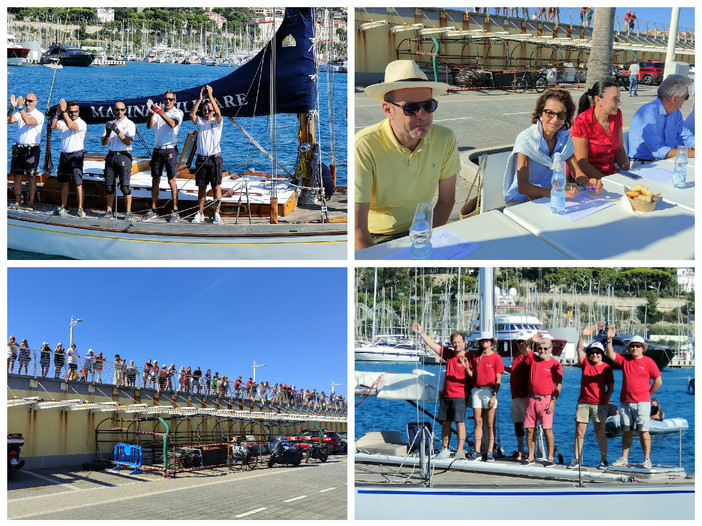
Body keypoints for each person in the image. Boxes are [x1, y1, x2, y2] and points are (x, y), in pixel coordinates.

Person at [355, 60, 460, 249]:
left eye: (428, 105)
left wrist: (427, 241)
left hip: (424, 229)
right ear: (388, 110)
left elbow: (446, 201)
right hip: (378, 236)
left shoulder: (445, 138)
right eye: (410, 108)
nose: (422, 115)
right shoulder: (364, 145)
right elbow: (358, 228)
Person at [504, 89, 602, 203]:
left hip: (548, 198)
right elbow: (522, 186)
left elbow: (577, 172)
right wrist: (555, 192)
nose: (555, 120)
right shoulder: (526, 139)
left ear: (566, 118)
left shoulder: (564, 138)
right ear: (540, 113)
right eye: (549, 113)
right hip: (520, 200)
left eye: (561, 115)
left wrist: (587, 182)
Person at [604, 328, 662, 469]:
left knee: (643, 431)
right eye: (632, 346)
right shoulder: (625, 360)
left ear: (643, 348)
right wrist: (609, 339)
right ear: (629, 348)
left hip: (642, 402)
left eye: (638, 346)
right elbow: (610, 354)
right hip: (625, 402)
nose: (635, 348)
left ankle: (647, 460)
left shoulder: (649, 362)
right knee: (627, 430)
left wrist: (648, 394)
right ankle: (624, 459)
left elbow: (658, 381)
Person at [413, 322, 469, 459]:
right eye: (454, 342)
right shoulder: (449, 354)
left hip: (460, 395)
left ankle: (460, 451)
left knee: (459, 422)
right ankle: (445, 449)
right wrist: (421, 333)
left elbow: (474, 375)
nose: (457, 344)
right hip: (446, 394)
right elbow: (433, 345)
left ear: (464, 342)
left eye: (459, 342)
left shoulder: (469, 357)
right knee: (445, 422)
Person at [569, 326, 614, 470]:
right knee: (579, 431)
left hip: (599, 405)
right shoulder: (585, 364)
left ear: (601, 354)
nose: (594, 355)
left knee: (600, 432)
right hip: (583, 403)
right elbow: (579, 350)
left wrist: (604, 398)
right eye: (592, 352)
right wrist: (582, 336)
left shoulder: (607, 368)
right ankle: (576, 459)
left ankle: (603, 460)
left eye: (597, 352)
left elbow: (611, 387)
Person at [571, 81, 630, 180]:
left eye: (619, 99)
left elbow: (620, 150)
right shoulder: (582, 121)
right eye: (615, 99)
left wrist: (628, 173)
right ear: (598, 100)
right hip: (589, 179)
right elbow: (582, 163)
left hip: (611, 174)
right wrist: (605, 180)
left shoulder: (617, 115)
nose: (619, 103)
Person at [628, 74, 695, 160]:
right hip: (643, 164)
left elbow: (687, 137)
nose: (686, 101)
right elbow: (659, 150)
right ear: (674, 99)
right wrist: (695, 153)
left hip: (664, 161)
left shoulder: (676, 113)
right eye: (686, 97)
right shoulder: (647, 113)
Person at [519, 334, 563, 467]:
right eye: (540, 348)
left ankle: (550, 458)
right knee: (530, 429)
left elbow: (559, 385)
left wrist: (553, 400)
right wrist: (531, 340)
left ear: (550, 349)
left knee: (547, 429)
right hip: (531, 398)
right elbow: (522, 348)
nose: (542, 351)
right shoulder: (533, 358)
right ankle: (531, 457)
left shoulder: (555, 364)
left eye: (545, 348)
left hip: (546, 400)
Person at [461, 331, 504, 462]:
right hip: (477, 390)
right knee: (477, 422)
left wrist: (494, 395)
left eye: (486, 340)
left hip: (490, 391)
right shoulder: (476, 357)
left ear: (491, 342)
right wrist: (466, 368)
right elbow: (473, 376)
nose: (484, 342)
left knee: (490, 424)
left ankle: (490, 451)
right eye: (482, 340)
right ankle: (477, 450)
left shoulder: (496, 357)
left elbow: (498, 378)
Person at [145, 90, 184, 222]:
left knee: (171, 180)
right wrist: (152, 114)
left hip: (169, 150)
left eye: (170, 99)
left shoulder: (177, 113)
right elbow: (149, 126)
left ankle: (175, 210)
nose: (168, 101)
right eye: (166, 99)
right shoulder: (158, 111)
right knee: (155, 180)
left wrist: (160, 113)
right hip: (157, 149)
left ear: (175, 101)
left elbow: (173, 124)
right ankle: (154, 209)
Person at [189, 85, 224, 224]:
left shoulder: (217, 122)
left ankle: (216, 213)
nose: (207, 112)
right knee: (201, 187)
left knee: (216, 187)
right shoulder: (200, 122)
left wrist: (211, 97)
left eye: (209, 110)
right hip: (201, 159)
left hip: (214, 159)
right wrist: (200, 100)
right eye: (204, 110)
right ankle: (200, 213)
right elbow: (192, 115)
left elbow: (219, 114)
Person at [51, 99, 87, 217]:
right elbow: (53, 126)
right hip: (64, 155)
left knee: (78, 183)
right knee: (64, 182)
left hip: (76, 155)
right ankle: (64, 205)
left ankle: (80, 208)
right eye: (71, 112)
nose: (73, 114)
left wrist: (64, 111)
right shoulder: (64, 120)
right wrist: (57, 113)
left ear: (79, 112)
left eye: (75, 112)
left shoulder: (81, 123)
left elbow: (71, 126)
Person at [8, 92, 45, 209]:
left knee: (31, 176)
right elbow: (8, 120)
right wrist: (12, 108)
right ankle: (18, 201)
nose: (27, 103)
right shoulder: (19, 113)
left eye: (30, 101)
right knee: (17, 175)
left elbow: (29, 121)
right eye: (26, 101)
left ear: (36, 102)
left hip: (32, 149)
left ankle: (30, 202)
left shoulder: (39, 115)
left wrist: (20, 108)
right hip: (19, 148)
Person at [101, 101, 136, 219]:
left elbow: (128, 141)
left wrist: (117, 131)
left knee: (125, 186)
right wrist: (108, 133)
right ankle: (109, 211)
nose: (119, 112)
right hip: (111, 155)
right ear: (113, 111)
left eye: (121, 109)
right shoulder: (109, 123)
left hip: (124, 155)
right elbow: (103, 143)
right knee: (109, 186)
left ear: (125, 110)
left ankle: (128, 212)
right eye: (117, 110)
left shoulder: (130, 124)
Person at [507, 332, 531, 460]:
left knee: (528, 425)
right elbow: (515, 371)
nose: (521, 344)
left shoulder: (528, 356)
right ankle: (520, 450)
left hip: (525, 396)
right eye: (519, 341)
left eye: (523, 341)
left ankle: (530, 452)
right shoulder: (516, 355)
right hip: (515, 396)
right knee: (517, 423)